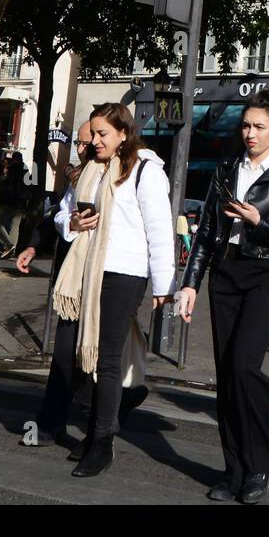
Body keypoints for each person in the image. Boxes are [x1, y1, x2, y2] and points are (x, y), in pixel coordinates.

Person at [173, 90, 269, 503]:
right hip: (226, 273)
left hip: (267, 273)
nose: (249, 133)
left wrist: (259, 222)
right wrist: (190, 283)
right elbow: (205, 236)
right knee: (226, 376)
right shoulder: (226, 170)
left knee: (244, 365)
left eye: (259, 127)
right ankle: (234, 470)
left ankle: (259, 462)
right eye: (246, 126)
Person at [55, 103, 176, 477]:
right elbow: (64, 215)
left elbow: (159, 230)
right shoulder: (90, 170)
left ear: (124, 133)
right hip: (87, 272)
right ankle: (97, 429)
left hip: (125, 274)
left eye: (102, 134)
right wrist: (72, 222)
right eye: (92, 134)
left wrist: (164, 284)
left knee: (107, 361)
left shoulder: (145, 172)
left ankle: (102, 441)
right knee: (76, 357)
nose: (94, 141)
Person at [15, 120, 146, 450]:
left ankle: (108, 410)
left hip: (106, 281)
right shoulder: (81, 175)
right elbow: (58, 214)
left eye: (91, 140)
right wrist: (36, 244)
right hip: (74, 284)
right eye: (82, 141)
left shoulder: (121, 174)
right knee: (66, 356)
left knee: (94, 359)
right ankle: (54, 423)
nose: (83, 146)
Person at [0, 151, 32, 259]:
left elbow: (3, 184)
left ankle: (9, 245)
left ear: (14, 159)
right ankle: (11, 251)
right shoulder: (26, 173)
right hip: (20, 203)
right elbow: (28, 189)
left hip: (8, 201)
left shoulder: (11, 170)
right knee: (15, 227)